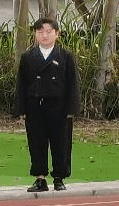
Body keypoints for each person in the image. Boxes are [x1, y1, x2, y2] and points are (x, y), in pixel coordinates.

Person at [13, 17, 81, 192]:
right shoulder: (28, 57)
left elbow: (73, 83)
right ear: (35, 34)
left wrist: (72, 108)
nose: (44, 35)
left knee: (61, 143)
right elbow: (21, 84)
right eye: (40, 32)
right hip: (34, 106)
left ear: (56, 34)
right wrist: (21, 109)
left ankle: (59, 178)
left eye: (49, 31)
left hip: (59, 106)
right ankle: (40, 178)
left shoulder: (65, 56)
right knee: (36, 143)